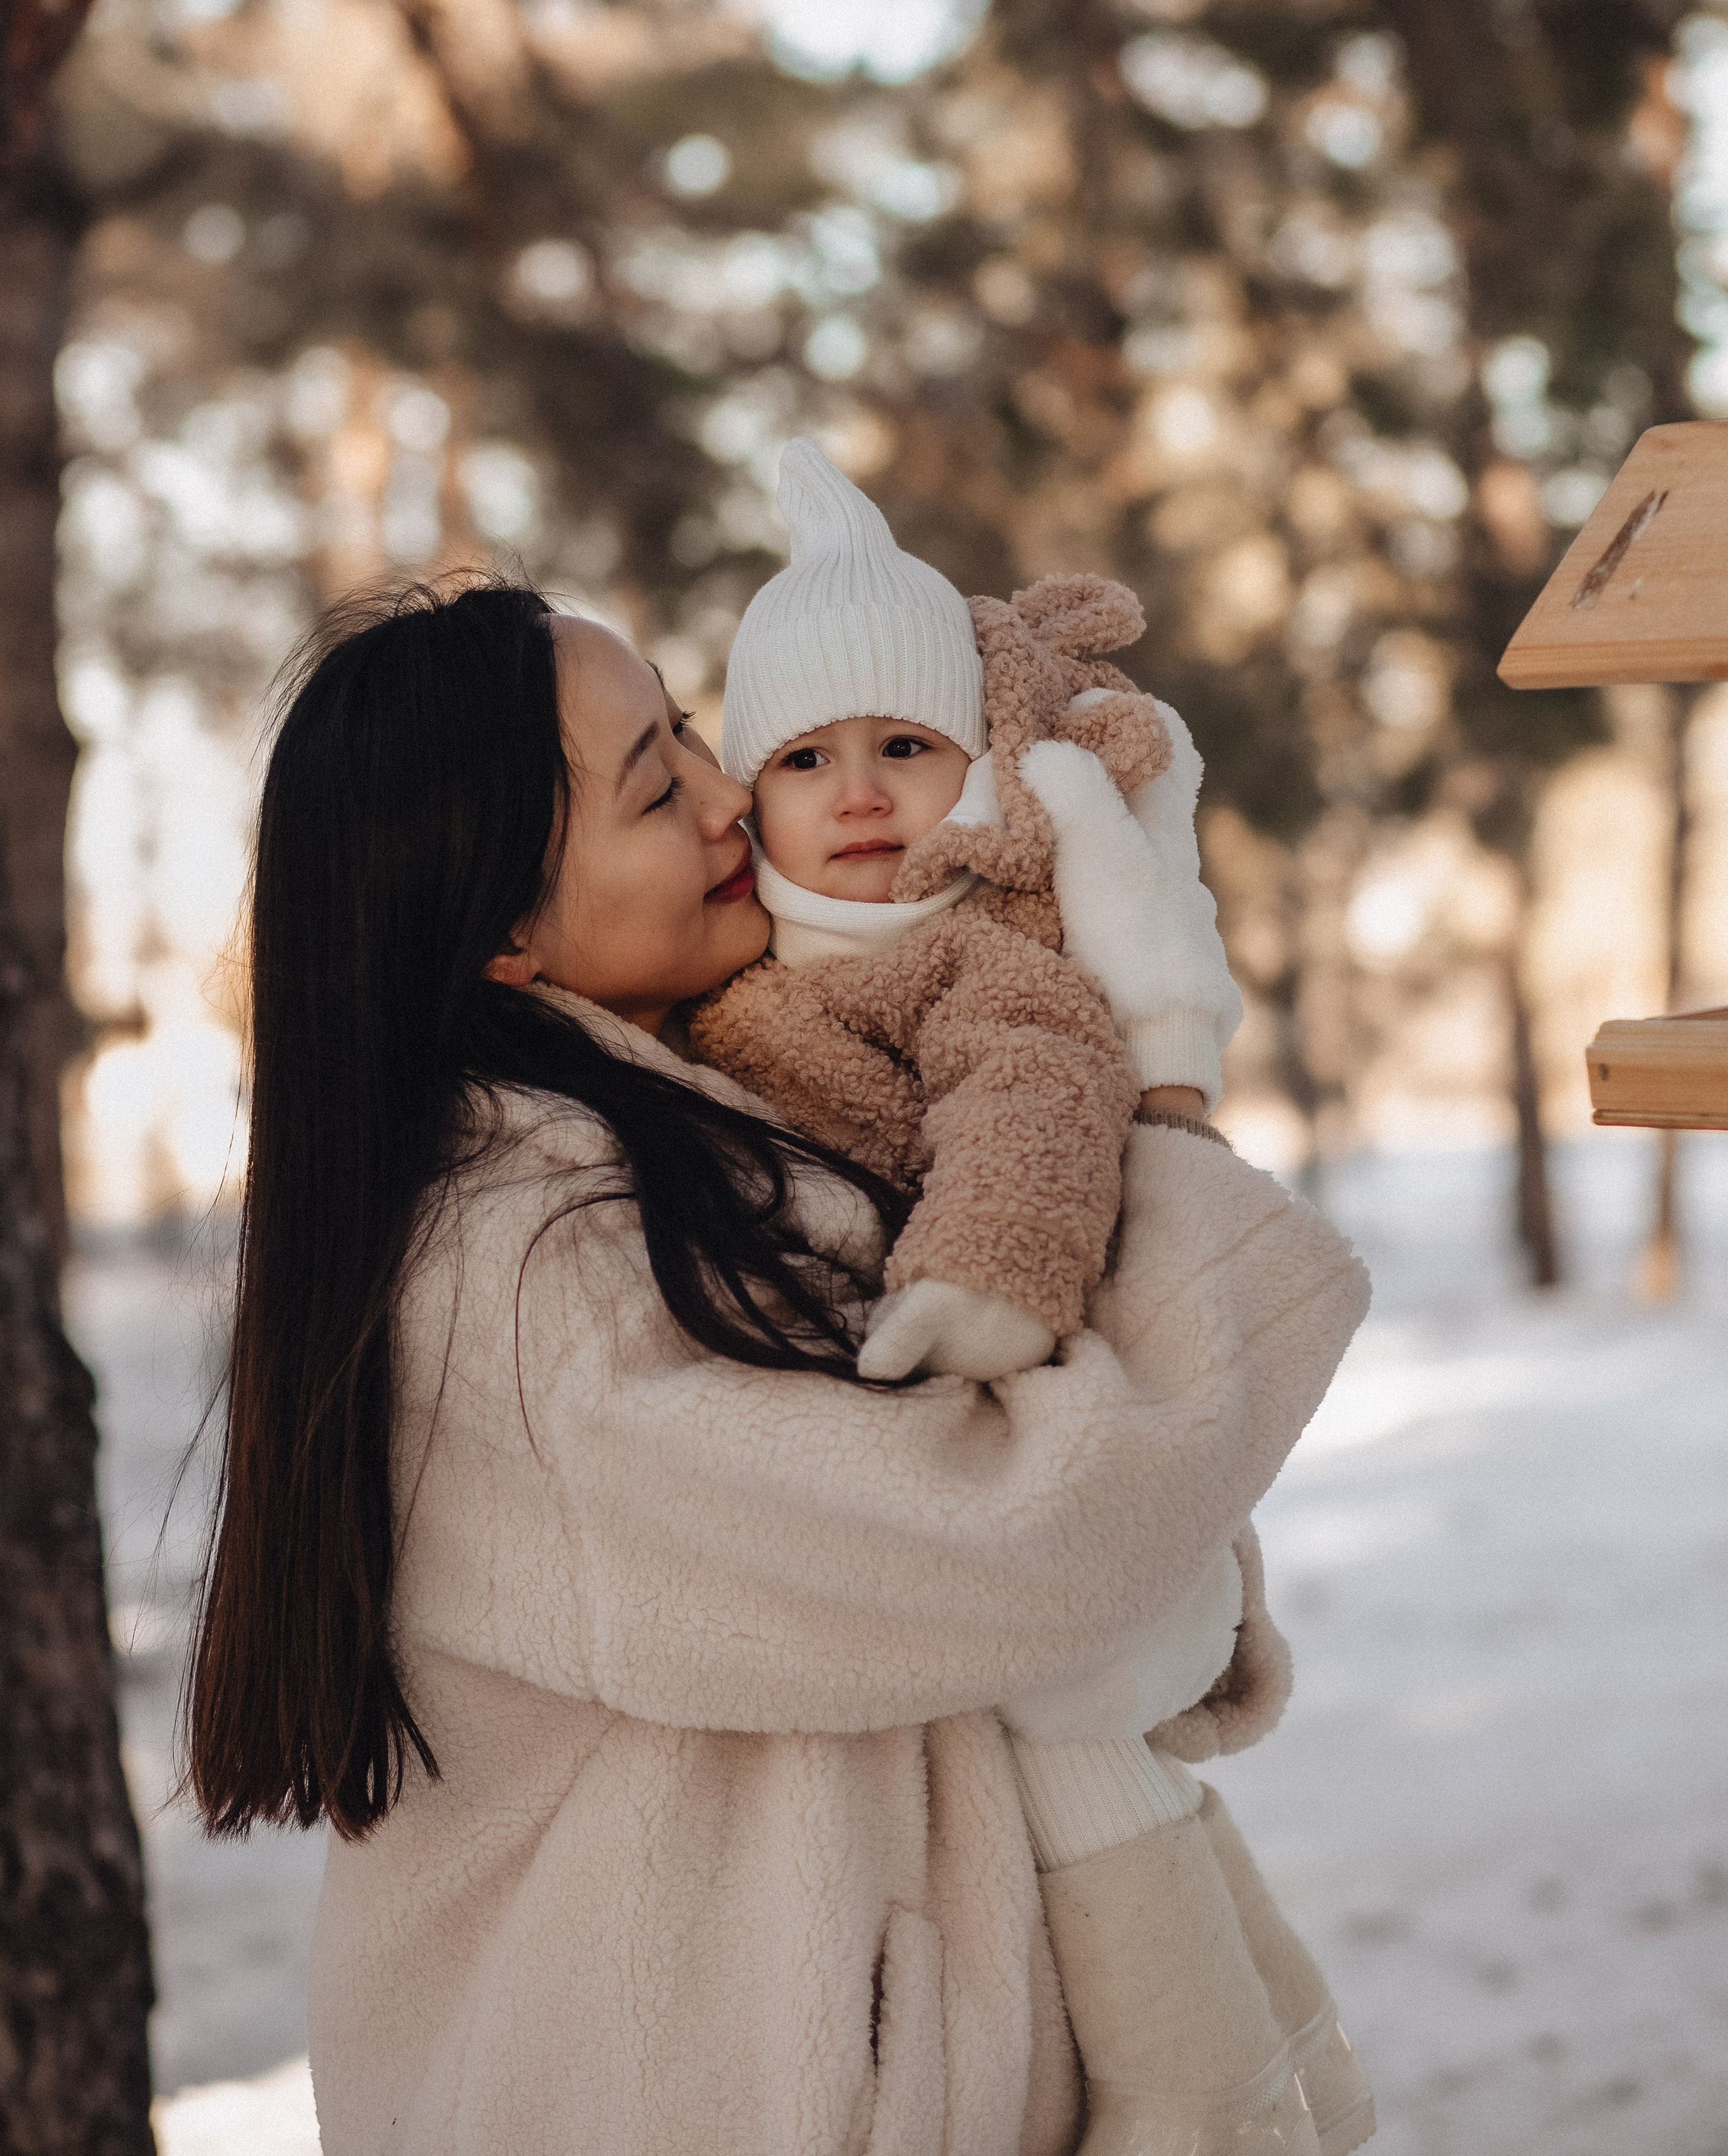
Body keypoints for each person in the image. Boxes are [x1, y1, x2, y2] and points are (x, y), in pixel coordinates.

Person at [186, 578, 1370, 2156]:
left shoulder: (689, 1129)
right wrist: (1161, 1127)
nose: (732, 791)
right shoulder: (520, 1276)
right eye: (655, 785)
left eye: (685, 729)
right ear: (504, 936)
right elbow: (1008, 1536)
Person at [690, 443, 1374, 2156]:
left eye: (905, 750)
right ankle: (1283, 2042)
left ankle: (1202, 2098)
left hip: (1034, 1398)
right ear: (742, 794)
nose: (858, 794)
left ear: (980, 771)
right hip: (924, 1460)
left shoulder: (984, 956)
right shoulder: (738, 988)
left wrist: (988, 1281)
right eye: (807, 758)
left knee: (1081, 1749)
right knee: (1105, 1763)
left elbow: (1038, 1103)